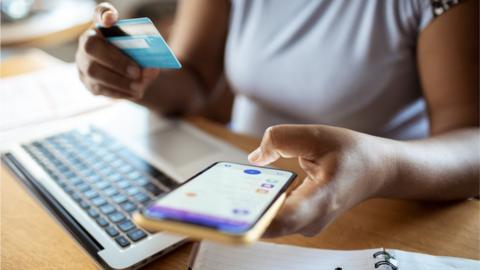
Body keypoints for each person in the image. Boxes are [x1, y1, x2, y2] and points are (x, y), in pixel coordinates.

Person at [76, 0, 479, 238]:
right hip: (238, 181)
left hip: (379, 212)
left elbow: (471, 140)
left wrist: (376, 166)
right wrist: (131, 75)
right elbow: (194, 81)